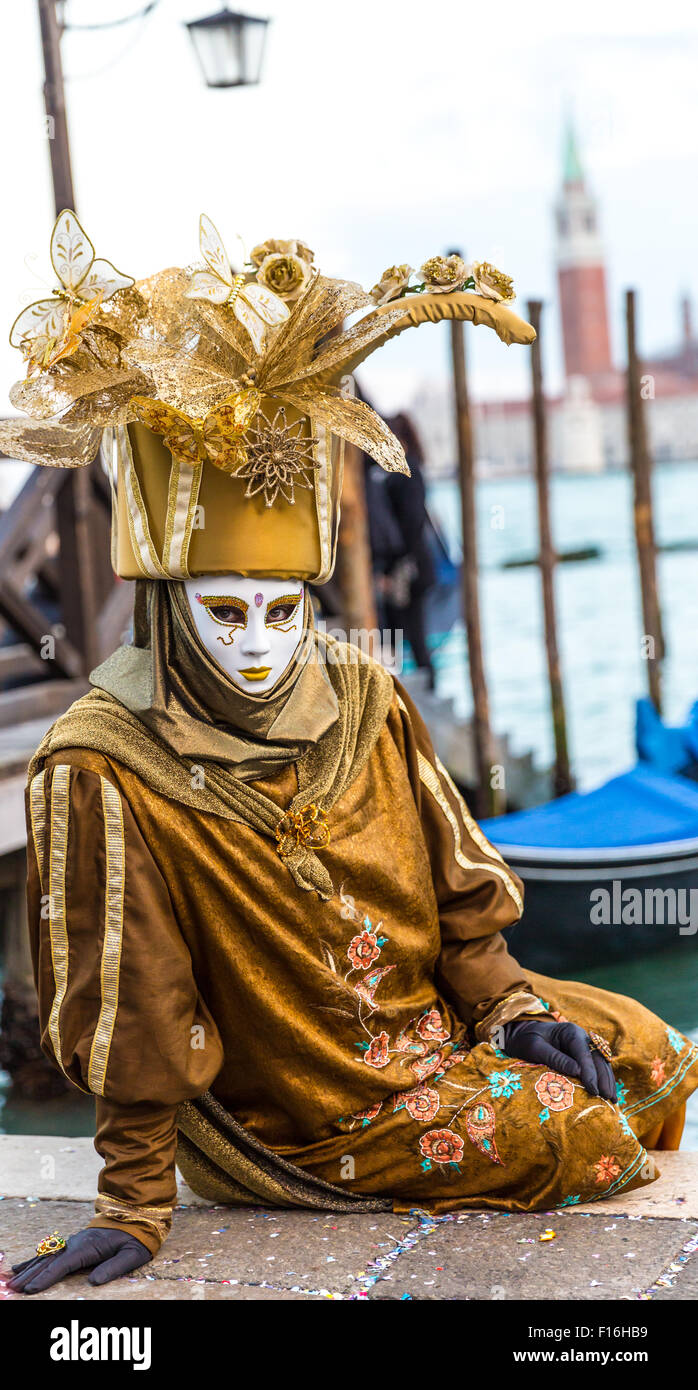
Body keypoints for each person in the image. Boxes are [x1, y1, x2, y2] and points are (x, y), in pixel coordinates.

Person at [3, 220, 695, 1294]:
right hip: (302, 1112)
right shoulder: (101, 764)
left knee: (647, 1050)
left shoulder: (363, 692)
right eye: (222, 610)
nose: (256, 641)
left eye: (285, 608)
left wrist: (513, 1013)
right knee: (581, 1141)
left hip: (434, 1031)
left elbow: (458, 901)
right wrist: (135, 1200)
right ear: (166, 607)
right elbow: (126, 998)